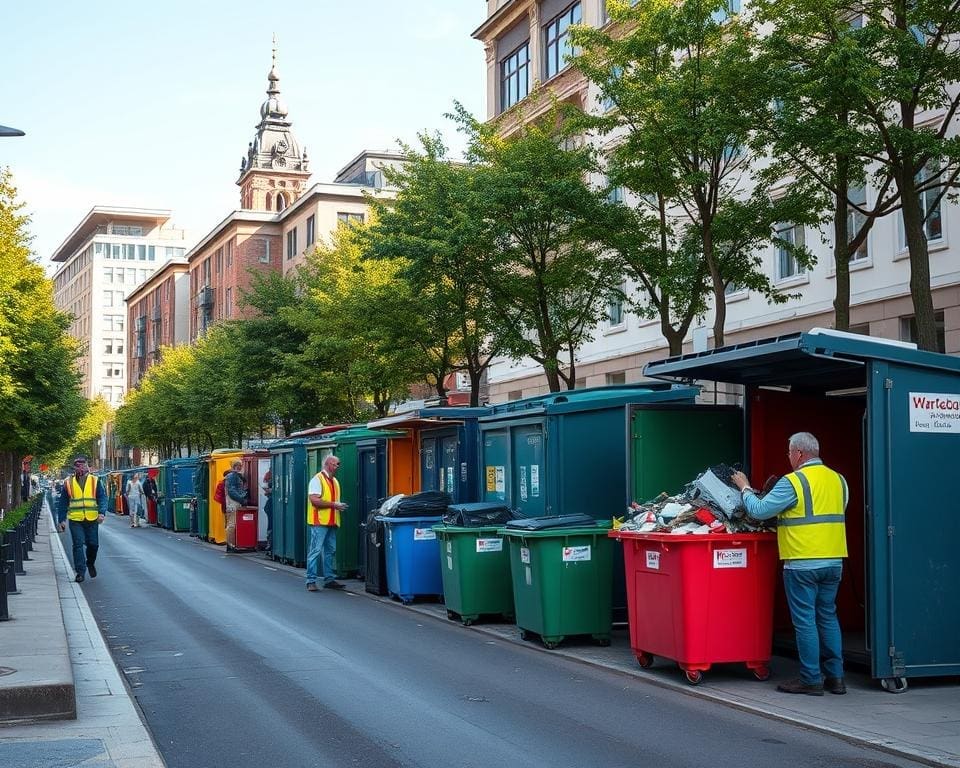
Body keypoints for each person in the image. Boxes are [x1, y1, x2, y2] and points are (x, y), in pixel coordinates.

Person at [731, 432, 849, 697]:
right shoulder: (839, 480)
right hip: (833, 561)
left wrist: (745, 488)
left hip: (802, 562)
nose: (788, 458)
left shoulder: (793, 482)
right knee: (827, 617)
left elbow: (759, 510)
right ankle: (836, 678)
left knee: (805, 621)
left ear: (798, 454)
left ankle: (810, 679)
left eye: (788, 453)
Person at [56, 456, 107, 583]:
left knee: (93, 545)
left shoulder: (95, 480)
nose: (81, 468)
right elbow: (63, 502)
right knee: (78, 545)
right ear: (74, 468)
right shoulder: (68, 483)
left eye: (83, 465)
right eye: (78, 466)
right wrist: (61, 519)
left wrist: (101, 513)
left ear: (87, 466)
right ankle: (80, 572)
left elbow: (102, 498)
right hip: (75, 519)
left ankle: (90, 563)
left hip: (92, 518)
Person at [305, 455, 347, 591]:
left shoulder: (334, 481)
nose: (337, 467)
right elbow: (314, 500)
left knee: (330, 551)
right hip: (320, 522)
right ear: (328, 464)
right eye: (335, 464)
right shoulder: (317, 480)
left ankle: (329, 579)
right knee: (315, 551)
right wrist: (335, 505)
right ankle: (311, 580)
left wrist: (337, 506)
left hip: (331, 522)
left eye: (338, 464)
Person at [224, 459, 248, 553]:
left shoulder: (233, 476)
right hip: (233, 502)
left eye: (240, 465)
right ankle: (231, 545)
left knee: (231, 523)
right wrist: (242, 498)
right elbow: (232, 491)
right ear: (234, 466)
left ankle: (231, 544)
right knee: (232, 524)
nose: (240, 467)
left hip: (231, 502)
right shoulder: (232, 476)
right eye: (238, 466)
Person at [261, 468, 273, 554]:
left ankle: (270, 543)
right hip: (270, 504)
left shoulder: (269, 474)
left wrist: (269, 491)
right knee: (271, 525)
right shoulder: (269, 474)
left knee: (270, 525)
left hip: (270, 504)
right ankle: (270, 543)